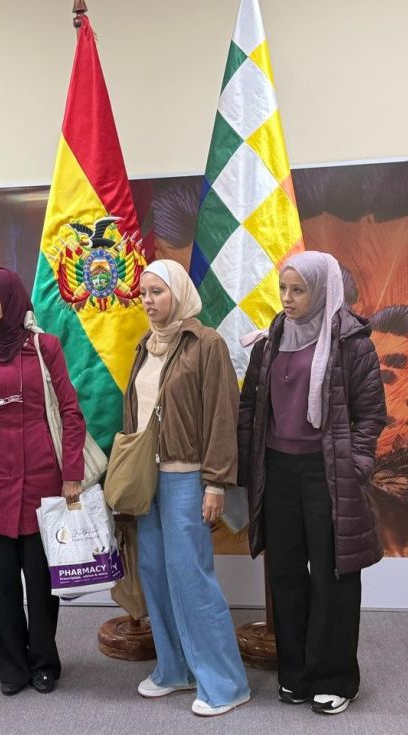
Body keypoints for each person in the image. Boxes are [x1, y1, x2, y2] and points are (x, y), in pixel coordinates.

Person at [237, 251, 387, 715]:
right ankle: (296, 674)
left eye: (298, 290)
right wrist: (248, 470)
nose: (287, 298)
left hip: (328, 474)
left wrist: (355, 464)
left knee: (332, 576)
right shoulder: (269, 343)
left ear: (322, 290)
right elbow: (250, 412)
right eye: (283, 289)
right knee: (284, 574)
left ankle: (336, 677)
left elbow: (370, 415)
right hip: (278, 473)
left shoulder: (351, 342)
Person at [123, 259, 251, 717]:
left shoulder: (206, 344)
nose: (149, 301)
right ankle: (174, 669)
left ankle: (225, 683)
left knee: (192, 576)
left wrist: (215, 482)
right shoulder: (144, 346)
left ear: (177, 293)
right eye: (143, 293)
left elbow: (222, 416)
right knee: (154, 572)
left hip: (188, 477)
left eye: (157, 292)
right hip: (147, 480)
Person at [0, 267, 85, 696]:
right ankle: (11, 665)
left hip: (42, 481)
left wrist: (71, 474)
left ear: (11, 301)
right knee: (1, 583)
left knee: (42, 580)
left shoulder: (44, 347)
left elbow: (70, 412)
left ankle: (45, 662)